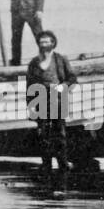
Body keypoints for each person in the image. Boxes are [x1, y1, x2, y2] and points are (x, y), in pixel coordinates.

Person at [26, 30, 76, 175]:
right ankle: (46, 164)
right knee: (43, 135)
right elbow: (29, 86)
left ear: (53, 43)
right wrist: (31, 106)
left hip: (58, 99)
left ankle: (63, 163)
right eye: (41, 42)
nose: (44, 44)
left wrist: (63, 86)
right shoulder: (34, 63)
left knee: (59, 134)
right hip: (40, 99)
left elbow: (72, 78)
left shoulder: (61, 60)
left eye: (47, 41)